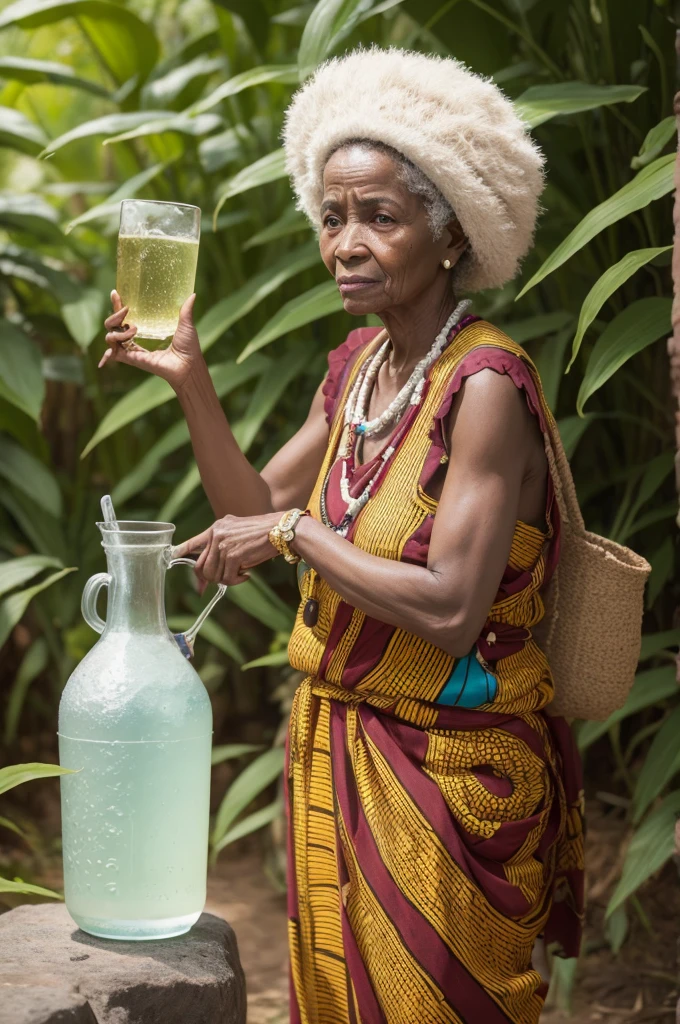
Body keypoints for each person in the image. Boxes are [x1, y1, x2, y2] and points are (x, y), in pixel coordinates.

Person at [101, 46, 584, 1024]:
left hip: (452, 781)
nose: (345, 243)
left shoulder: (483, 388)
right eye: (331, 217)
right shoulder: (360, 367)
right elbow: (248, 502)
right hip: (341, 746)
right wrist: (189, 378)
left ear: (448, 238)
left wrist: (291, 532)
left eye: (378, 216)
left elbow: (450, 609)